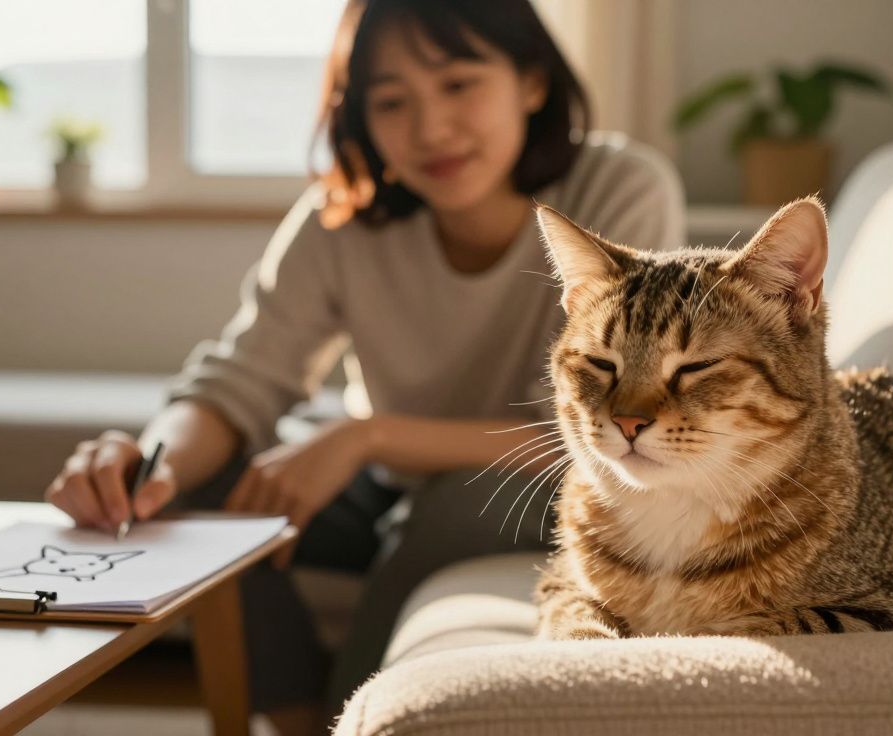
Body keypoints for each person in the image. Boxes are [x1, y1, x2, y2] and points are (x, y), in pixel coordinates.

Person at [44, 0, 684, 733]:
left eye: (458, 83)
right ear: (359, 115)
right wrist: (147, 463)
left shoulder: (617, 187)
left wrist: (366, 436)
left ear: (532, 81)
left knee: (454, 503)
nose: (430, 128)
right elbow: (238, 381)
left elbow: (578, 439)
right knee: (211, 485)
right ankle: (293, 719)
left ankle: (352, 718)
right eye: (390, 100)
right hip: (390, 485)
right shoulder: (340, 219)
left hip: (535, 483)